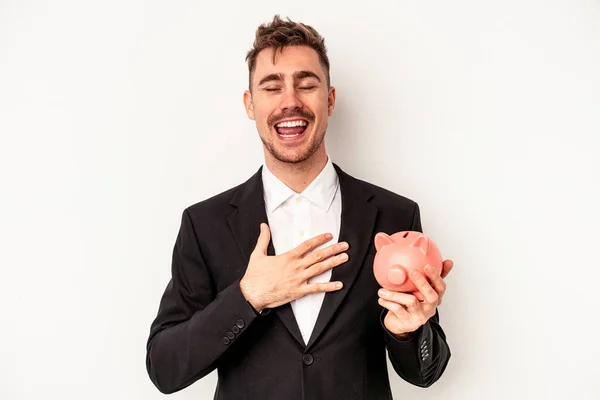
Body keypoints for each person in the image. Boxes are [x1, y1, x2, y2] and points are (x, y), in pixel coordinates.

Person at [146, 15, 453, 400]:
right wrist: (247, 296)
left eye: (307, 85)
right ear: (250, 104)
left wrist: (407, 331)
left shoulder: (395, 216)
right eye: (271, 87)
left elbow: (427, 372)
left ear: (330, 99)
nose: (290, 101)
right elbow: (164, 367)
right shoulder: (204, 224)